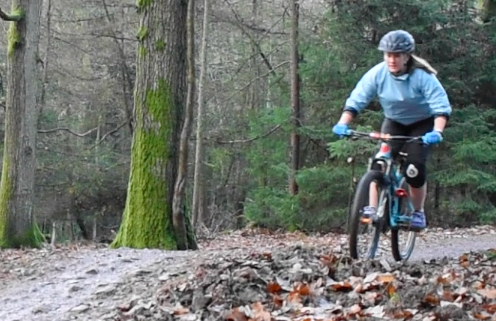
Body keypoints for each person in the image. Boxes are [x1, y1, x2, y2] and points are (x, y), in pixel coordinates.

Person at [332, 30, 452, 230]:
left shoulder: (422, 76)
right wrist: (343, 122)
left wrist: (437, 131)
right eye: (388, 55)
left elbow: (441, 106)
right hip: (394, 122)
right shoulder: (377, 74)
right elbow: (358, 98)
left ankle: (418, 212)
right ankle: (372, 208)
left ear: (407, 56)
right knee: (379, 163)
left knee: (414, 170)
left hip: (422, 124)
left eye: (397, 55)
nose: (392, 60)